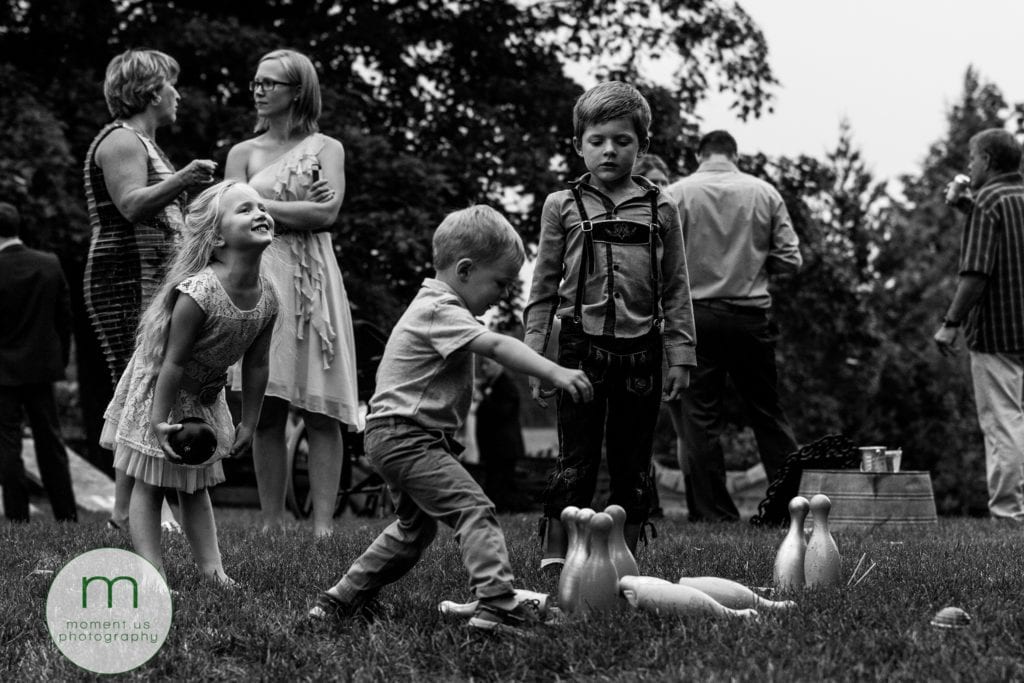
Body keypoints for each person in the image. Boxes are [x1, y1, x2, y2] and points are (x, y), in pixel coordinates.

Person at [309, 205, 593, 634]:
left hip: (395, 436)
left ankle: (340, 601)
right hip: (408, 437)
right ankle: (497, 603)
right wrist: (555, 372)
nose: (502, 295)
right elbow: (496, 346)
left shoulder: (435, 306)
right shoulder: (440, 308)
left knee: (413, 531)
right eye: (499, 282)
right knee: (474, 509)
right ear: (464, 269)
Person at [523, 81, 696, 565]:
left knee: (632, 461)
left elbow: (677, 286)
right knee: (575, 458)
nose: (609, 151)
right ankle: (557, 556)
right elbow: (543, 287)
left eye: (622, 140)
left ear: (643, 144)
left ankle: (623, 556)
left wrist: (681, 354)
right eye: (597, 140)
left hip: (642, 350)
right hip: (580, 350)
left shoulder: (662, 207)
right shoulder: (561, 205)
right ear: (578, 144)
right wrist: (536, 357)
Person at [100, 181, 278, 582]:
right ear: (216, 238)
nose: (260, 213)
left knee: (195, 486)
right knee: (149, 484)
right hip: (162, 390)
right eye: (245, 209)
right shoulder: (200, 292)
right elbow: (173, 361)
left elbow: (257, 364)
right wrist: (158, 422)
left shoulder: (268, 295)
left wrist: (249, 421)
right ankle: (152, 575)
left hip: (204, 395)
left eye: (262, 207)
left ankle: (214, 572)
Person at [225, 48, 360, 538]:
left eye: (270, 83)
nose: (259, 90)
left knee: (321, 409)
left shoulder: (327, 149)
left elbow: (326, 215)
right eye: (256, 82)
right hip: (261, 275)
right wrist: (290, 207)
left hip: (313, 283)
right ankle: (271, 522)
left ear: (298, 90)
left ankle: (323, 526)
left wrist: (256, 202)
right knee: (265, 408)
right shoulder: (242, 152)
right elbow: (229, 218)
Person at [83, 48, 218, 531]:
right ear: (149, 90)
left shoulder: (144, 142)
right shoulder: (121, 140)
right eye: (170, 84)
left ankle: (130, 507)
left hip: (152, 281)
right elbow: (131, 204)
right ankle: (131, 508)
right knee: (138, 385)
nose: (177, 94)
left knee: (143, 385)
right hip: (126, 280)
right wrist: (184, 178)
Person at [666, 130, 802, 523]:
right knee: (767, 411)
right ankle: (788, 506)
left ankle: (714, 513)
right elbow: (791, 260)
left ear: (699, 155)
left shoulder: (676, 195)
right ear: (735, 155)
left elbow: (659, 260)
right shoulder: (764, 193)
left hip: (695, 317)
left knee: (699, 416)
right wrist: (753, 262)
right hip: (749, 317)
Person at [935, 128, 1024, 524]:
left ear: (987, 160)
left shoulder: (988, 201)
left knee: (1003, 423)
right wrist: (966, 208)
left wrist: (950, 322)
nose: (969, 166)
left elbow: (976, 273)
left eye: (972, 158)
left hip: (998, 332)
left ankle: (1008, 514)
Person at [0, 203, 78, 523]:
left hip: (2, 371)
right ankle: (66, 514)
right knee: (51, 442)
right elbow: (64, 318)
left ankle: (17, 516)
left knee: (7, 443)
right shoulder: (48, 263)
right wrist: (59, 360)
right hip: (41, 366)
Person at [474, 355, 526, 513]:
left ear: (499, 364)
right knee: (494, 482)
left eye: (487, 364)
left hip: (504, 447)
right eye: (482, 365)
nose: (484, 368)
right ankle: (498, 510)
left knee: (502, 484)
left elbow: (502, 412)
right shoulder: (490, 384)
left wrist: (483, 398)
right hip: (493, 448)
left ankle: (503, 511)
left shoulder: (507, 385)